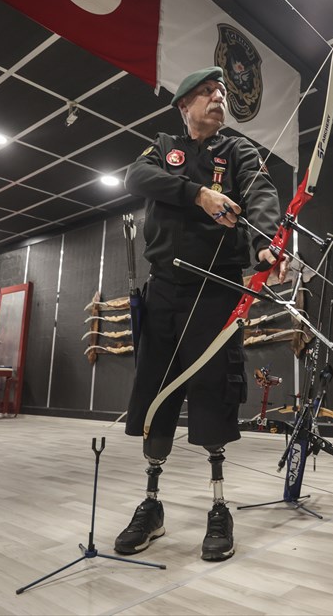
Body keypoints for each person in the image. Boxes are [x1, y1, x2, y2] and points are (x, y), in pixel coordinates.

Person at [116, 66, 284, 562]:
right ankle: (152, 505)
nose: (219, 97)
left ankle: (219, 505)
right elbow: (136, 176)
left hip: (216, 291)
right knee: (156, 393)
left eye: (221, 91)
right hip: (166, 288)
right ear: (185, 105)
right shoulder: (164, 146)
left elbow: (261, 197)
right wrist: (198, 193)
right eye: (208, 92)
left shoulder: (238, 151)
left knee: (214, 390)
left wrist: (268, 245)